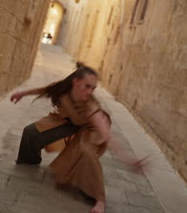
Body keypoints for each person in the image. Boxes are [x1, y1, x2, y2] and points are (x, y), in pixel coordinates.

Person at [10, 63, 146, 213]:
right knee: (31, 131)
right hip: (68, 120)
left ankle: (99, 199)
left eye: (93, 88)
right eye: (86, 86)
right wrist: (22, 93)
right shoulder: (62, 88)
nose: (90, 91)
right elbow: (44, 90)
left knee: (86, 151)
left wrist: (128, 159)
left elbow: (107, 134)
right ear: (75, 82)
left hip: (91, 128)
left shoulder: (91, 106)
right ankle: (29, 159)